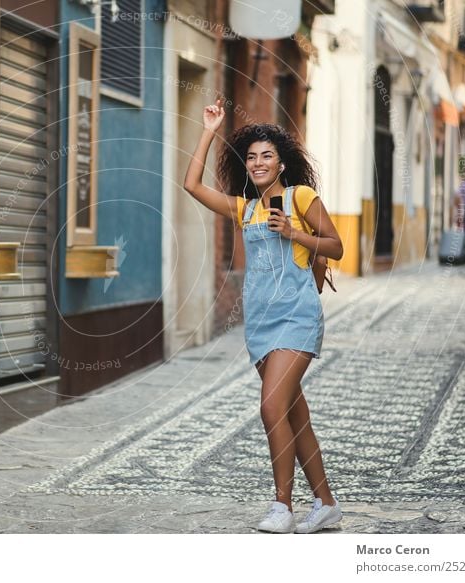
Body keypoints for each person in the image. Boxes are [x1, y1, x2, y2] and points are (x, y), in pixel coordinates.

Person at [183, 98, 344, 534]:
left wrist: (293, 231)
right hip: (259, 324)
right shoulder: (246, 208)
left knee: (271, 407)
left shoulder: (300, 197)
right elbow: (192, 186)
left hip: (297, 317)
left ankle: (282, 506)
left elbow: (336, 246)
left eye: (266, 156)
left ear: (282, 163)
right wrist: (209, 130)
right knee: (294, 414)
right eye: (251, 157)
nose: (257, 163)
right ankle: (325, 503)